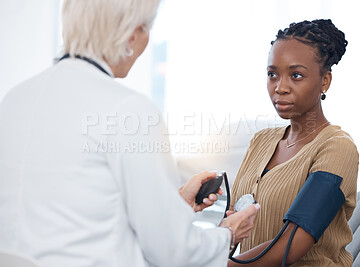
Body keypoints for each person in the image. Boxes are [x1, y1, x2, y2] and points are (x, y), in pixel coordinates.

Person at [0, 0, 260, 266]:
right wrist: (227, 235)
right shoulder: (129, 110)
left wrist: (174, 206)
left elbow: (73, 209)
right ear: (133, 34)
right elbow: (172, 251)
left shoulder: (14, 99)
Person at [228, 19, 359, 266]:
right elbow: (235, 222)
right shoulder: (261, 140)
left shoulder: (337, 147)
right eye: (272, 74)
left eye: (296, 75)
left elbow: (293, 242)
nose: (280, 87)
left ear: (324, 81)